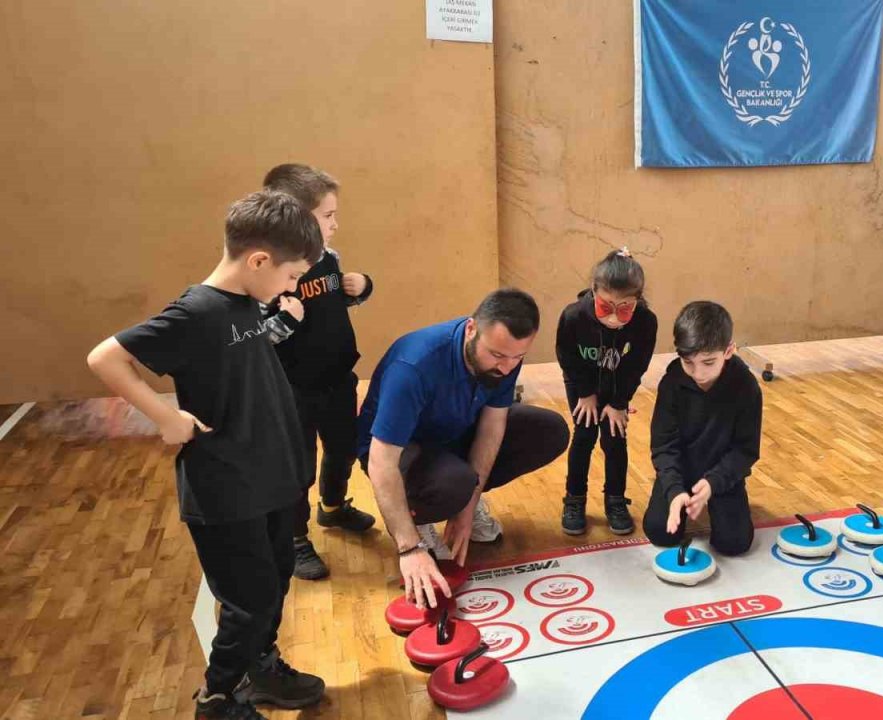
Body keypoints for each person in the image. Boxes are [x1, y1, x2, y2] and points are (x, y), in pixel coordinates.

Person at [86, 191, 327, 718]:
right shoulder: (196, 312)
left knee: (276, 579)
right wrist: (166, 417)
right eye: (289, 276)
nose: (291, 287)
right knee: (250, 600)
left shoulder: (247, 303)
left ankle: (261, 667)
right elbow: (106, 358)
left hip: (269, 479)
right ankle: (217, 698)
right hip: (225, 490)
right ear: (258, 260)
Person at [357, 289, 570, 608]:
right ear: (471, 329)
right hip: (401, 451)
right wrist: (409, 548)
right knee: (453, 484)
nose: (508, 367)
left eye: (518, 357)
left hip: (451, 434)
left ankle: (460, 496)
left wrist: (468, 507)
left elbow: (492, 426)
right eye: (498, 355)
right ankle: (418, 517)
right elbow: (380, 461)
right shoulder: (414, 365)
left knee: (549, 430)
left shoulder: (505, 359)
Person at [259, 163, 377, 580]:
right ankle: (294, 538)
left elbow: (331, 303)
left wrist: (361, 289)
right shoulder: (268, 270)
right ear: (297, 218)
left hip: (337, 377)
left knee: (344, 448)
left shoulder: (328, 258)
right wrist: (285, 322)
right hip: (294, 390)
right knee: (299, 468)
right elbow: (255, 337)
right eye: (328, 216)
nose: (335, 224)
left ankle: (333, 507)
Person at [642, 301, 761, 557]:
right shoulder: (672, 383)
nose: (698, 373)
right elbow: (663, 446)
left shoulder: (746, 387)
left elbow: (745, 450)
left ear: (729, 350)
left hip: (722, 473)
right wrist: (674, 490)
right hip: (682, 471)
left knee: (734, 543)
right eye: (688, 363)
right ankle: (679, 500)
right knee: (659, 532)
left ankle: (716, 501)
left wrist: (713, 483)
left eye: (708, 362)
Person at [555, 247, 658, 536]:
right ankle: (574, 499)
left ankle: (615, 501)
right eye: (606, 306)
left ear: (638, 300)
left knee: (615, 438)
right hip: (581, 384)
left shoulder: (646, 322)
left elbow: (637, 364)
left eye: (624, 308)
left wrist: (619, 402)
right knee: (584, 435)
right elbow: (567, 356)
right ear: (593, 291)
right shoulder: (574, 316)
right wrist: (585, 393)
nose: (614, 318)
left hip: (618, 387)